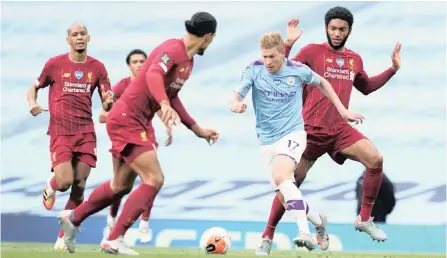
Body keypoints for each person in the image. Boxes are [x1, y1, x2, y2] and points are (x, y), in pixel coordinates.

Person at [58, 12, 219, 255]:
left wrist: (197, 129)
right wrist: (162, 103)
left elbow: (173, 96)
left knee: (120, 186)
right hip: (127, 119)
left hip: (135, 121)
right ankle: (114, 238)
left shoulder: (188, 62)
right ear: (208, 37)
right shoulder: (172, 49)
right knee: (154, 179)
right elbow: (154, 74)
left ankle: (73, 218)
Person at [256, 6, 401, 253]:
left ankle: (364, 218)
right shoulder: (312, 52)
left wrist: (392, 70)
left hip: (339, 130)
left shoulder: (354, 59)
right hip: (309, 131)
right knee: (289, 185)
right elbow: (282, 70)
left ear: (349, 31)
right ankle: (267, 236)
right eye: (333, 28)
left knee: (375, 160)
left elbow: (365, 86)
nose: (336, 33)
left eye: (341, 29)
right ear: (326, 28)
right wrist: (288, 44)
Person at [231, 32, 363, 252]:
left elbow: (323, 83)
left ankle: (305, 232)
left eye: (272, 56)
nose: (268, 62)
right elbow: (236, 95)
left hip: (293, 135)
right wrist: (236, 104)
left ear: (282, 52)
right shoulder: (254, 69)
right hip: (266, 140)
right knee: (285, 194)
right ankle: (318, 221)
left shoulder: (297, 70)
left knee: (283, 176)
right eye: (264, 56)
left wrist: (342, 110)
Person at [26, 23, 114, 251]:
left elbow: (106, 97)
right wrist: (33, 103)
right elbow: (34, 87)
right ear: (68, 40)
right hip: (61, 131)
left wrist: (108, 102)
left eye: (83, 34)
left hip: (86, 132)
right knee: (64, 182)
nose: (79, 38)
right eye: (74, 35)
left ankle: (61, 237)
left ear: (89, 37)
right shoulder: (55, 64)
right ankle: (51, 184)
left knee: (80, 187)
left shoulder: (98, 67)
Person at [100, 49, 172, 243]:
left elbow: (158, 105)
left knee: (151, 180)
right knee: (120, 185)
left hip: (146, 138)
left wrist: (167, 124)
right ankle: (112, 219)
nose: (140, 64)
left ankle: (144, 223)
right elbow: (103, 115)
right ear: (129, 65)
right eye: (135, 61)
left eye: (143, 61)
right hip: (124, 137)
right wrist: (110, 108)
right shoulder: (123, 86)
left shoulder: (153, 83)